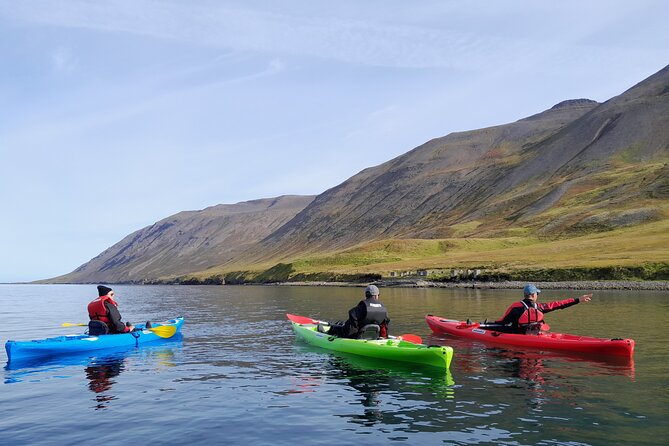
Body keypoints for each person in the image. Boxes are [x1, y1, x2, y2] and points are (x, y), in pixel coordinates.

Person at [493, 284, 592, 334]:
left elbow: (503, 322)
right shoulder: (540, 307)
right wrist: (578, 300)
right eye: (537, 293)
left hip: (519, 335)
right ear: (532, 295)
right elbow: (559, 304)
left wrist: (487, 325)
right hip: (535, 335)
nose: (537, 295)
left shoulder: (515, 307)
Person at [326, 285, 390, 339]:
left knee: (337, 325)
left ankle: (326, 333)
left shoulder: (362, 307)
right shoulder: (383, 309)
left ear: (366, 295)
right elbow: (385, 325)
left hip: (358, 336)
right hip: (374, 336)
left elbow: (352, 316)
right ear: (376, 295)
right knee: (340, 323)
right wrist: (384, 338)